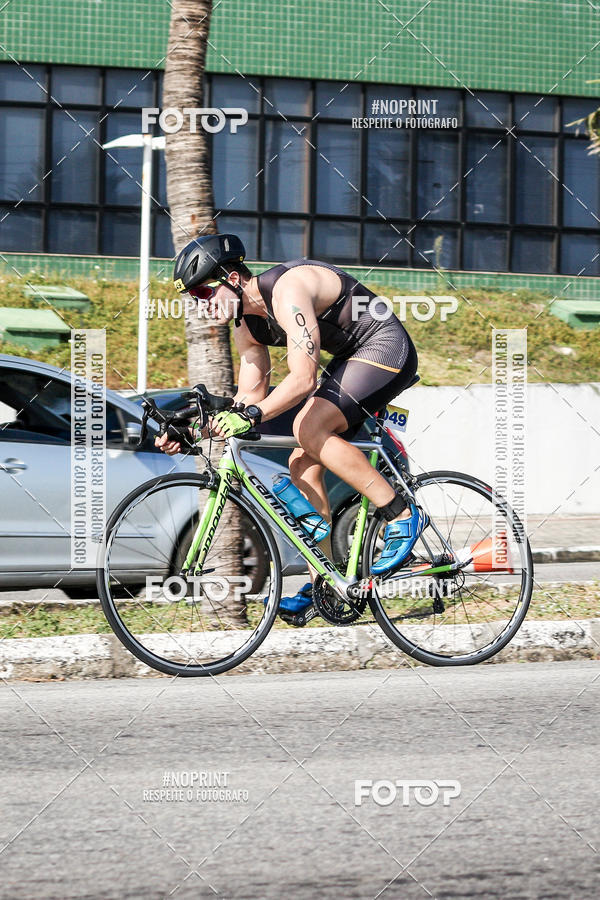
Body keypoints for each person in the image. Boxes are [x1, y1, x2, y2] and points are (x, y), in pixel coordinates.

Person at [158, 233, 427, 615]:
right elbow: (248, 397)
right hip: (349, 359)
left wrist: (252, 415)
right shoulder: (246, 325)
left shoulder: (287, 290)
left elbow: (303, 379)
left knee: (308, 427)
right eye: (194, 298)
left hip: (384, 345)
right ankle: (327, 586)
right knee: (301, 464)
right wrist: (193, 430)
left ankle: (402, 514)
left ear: (231, 279)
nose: (201, 304)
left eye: (203, 292)